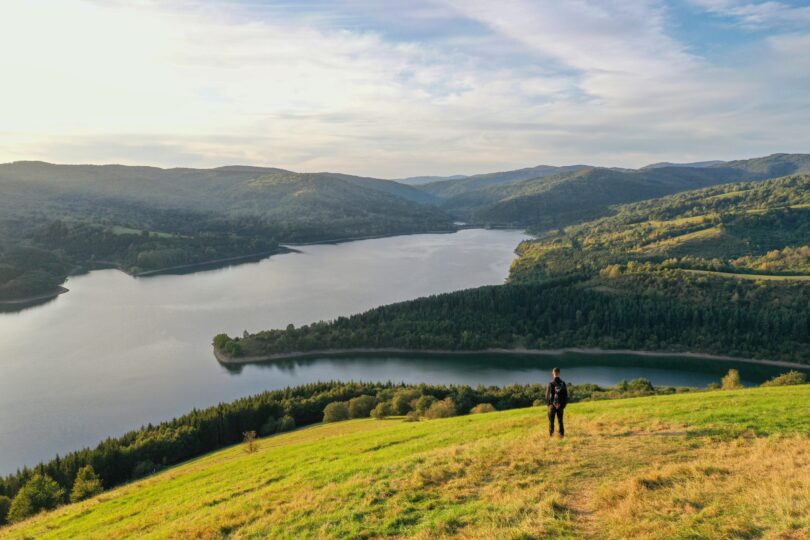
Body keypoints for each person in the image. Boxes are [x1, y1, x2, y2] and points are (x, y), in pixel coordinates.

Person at [545, 367, 568, 438]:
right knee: (560, 421)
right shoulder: (563, 383)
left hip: (552, 405)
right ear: (559, 373)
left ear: (553, 373)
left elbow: (547, 396)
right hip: (561, 405)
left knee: (551, 422)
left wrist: (549, 405)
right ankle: (562, 436)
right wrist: (563, 405)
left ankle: (551, 436)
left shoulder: (551, 383)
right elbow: (566, 395)